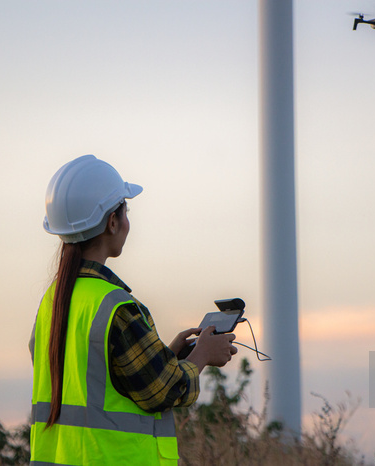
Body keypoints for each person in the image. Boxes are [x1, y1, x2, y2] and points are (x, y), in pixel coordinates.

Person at [29, 155, 237, 465]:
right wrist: (202, 355)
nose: (127, 221)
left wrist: (165, 355)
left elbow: (95, 380)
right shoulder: (117, 307)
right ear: (112, 222)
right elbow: (164, 392)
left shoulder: (54, 301)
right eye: (125, 210)